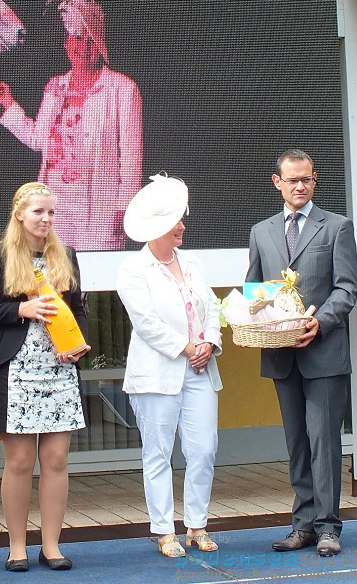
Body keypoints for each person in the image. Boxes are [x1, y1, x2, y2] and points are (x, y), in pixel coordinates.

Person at [0, 181, 91, 572]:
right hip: (17, 369)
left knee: (55, 460)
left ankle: (51, 546)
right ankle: (17, 547)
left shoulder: (66, 255)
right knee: (19, 462)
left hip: (59, 369)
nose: (46, 219)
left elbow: (79, 309)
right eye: (38, 212)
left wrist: (76, 344)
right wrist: (21, 310)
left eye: (51, 213)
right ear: (19, 213)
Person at [246, 149, 357, 558]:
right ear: (276, 182)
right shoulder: (261, 231)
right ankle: (303, 525)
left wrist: (320, 321)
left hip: (324, 351)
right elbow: (254, 291)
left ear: (315, 180)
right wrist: (255, 316)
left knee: (324, 441)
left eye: (307, 179)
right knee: (297, 442)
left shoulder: (338, 227)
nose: (299, 186)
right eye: (292, 180)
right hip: (281, 354)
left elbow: (347, 288)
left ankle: (329, 527)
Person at [116, 174, 223, 559]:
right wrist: (187, 347)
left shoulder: (194, 262)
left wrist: (209, 343)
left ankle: (198, 524)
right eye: (177, 220)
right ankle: (164, 529)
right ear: (158, 226)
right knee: (158, 452)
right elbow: (145, 323)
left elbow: (213, 308)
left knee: (204, 448)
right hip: (156, 375)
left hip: (200, 370)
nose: (183, 226)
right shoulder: (133, 269)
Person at [0, 0, 142, 250]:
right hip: (55, 204)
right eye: (76, 38)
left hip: (98, 208)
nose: (83, 47)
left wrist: (125, 208)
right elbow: (38, 140)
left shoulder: (122, 89)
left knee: (93, 277)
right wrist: (9, 104)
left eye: (90, 40)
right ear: (66, 43)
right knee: (57, 277)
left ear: (100, 43)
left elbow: (131, 156)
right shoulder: (55, 87)